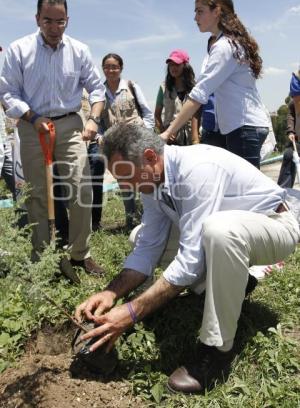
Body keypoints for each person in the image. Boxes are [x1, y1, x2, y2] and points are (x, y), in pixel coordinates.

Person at [75, 123, 299, 395]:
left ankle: (215, 352)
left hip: (273, 226)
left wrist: (132, 312)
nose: (124, 186)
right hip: (230, 233)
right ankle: (231, 284)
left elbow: (192, 259)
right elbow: (148, 246)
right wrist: (111, 292)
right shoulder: (152, 180)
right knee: (138, 236)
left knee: (219, 232)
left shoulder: (197, 169)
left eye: (125, 177)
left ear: (149, 157)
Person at [0, 0, 106, 278]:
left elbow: (97, 89)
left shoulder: (79, 50)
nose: (54, 27)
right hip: (32, 126)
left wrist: (94, 119)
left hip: (70, 126)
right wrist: (33, 117)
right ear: (37, 18)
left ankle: (80, 254)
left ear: (67, 20)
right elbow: (7, 92)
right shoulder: (19, 50)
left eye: (61, 21)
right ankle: (44, 257)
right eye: (48, 20)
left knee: (82, 189)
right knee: (37, 194)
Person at [160, 0, 269, 168]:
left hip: (243, 128)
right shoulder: (230, 42)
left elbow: (200, 93)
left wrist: (168, 132)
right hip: (243, 126)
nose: (195, 18)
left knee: (244, 194)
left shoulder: (224, 46)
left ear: (216, 11)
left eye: (200, 11)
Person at [100, 53, 154, 229]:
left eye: (114, 66)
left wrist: (146, 132)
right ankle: (131, 220)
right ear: (103, 69)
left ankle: (150, 218)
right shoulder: (100, 92)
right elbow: (100, 121)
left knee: (144, 178)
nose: (111, 70)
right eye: (107, 67)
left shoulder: (131, 86)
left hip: (136, 141)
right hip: (116, 145)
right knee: (124, 181)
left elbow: (147, 112)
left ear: (121, 68)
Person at [154, 49, 197, 145]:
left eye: (177, 64)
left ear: (185, 66)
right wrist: (164, 132)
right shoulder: (164, 88)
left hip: (191, 139)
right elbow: (157, 115)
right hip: (171, 141)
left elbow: (197, 114)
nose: (173, 68)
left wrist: (196, 137)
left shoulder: (195, 88)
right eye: (171, 65)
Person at [278, 70, 300, 187]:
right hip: (297, 139)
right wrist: (291, 130)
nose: (296, 101)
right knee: (289, 155)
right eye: (294, 97)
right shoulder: (294, 101)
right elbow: (291, 112)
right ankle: (284, 193)